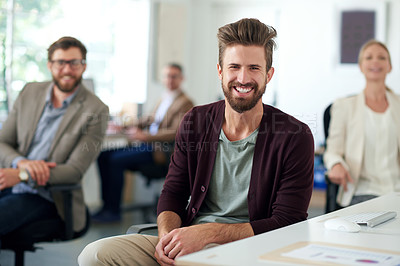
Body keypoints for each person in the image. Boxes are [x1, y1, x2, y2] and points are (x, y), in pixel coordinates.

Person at [78, 18, 314, 266]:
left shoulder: (295, 135)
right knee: (95, 255)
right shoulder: (196, 120)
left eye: (254, 68)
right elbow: (173, 192)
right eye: (234, 67)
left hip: (246, 250)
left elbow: (288, 222)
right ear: (220, 71)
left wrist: (210, 233)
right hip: (187, 240)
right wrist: (168, 240)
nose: (243, 78)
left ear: (269, 74)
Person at [0, 36, 109, 247]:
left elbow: (75, 170)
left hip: (49, 197)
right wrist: (21, 163)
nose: (67, 69)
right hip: (8, 182)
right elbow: (3, 142)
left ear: (83, 66)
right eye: (60, 62)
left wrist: (23, 175)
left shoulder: (96, 110)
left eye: (74, 62)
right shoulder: (30, 91)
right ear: (50, 65)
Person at [92, 63, 194, 223]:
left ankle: (113, 211)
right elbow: (150, 119)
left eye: (174, 76)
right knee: (103, 155)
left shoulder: (186, 102)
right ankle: (106, 207)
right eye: (167, 76)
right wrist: (124, 126)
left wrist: (145, 136)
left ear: (182, 79)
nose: (170, 80)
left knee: (114, 160)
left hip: (161, 151)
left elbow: (176, 132)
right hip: (147, 146)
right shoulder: (165, 97)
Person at [324, 40, 400, 207]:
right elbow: (332, 152)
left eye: (381, 57)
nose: (375, 61)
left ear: (390, 66)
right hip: (363, 192)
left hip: (397, 190)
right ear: (360, 66)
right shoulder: (344, 106)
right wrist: (336, 164)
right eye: (369, 57)